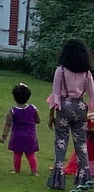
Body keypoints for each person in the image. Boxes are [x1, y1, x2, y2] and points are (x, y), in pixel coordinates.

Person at [47, 38, 94, 188]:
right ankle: (84, 179)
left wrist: (51, 116)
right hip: (80, 107)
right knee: (81, 145)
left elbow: (55, 95)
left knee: (61, 143)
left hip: (64, 107)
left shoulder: (60, 71)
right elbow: (92, 93)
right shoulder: (86, 73)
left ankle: (57, 179)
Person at [0, 82, 39, 175]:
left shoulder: (12, 111)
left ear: (14, 97)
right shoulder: (33, 108)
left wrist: (3, 136)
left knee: (17, 154)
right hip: (30, 136)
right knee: (31, 154)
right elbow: (37, 120)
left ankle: (17, 170)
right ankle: (34, 171)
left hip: (17, 136)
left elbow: (8, 125)